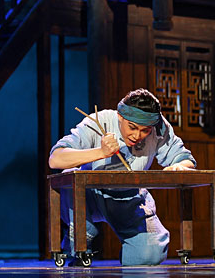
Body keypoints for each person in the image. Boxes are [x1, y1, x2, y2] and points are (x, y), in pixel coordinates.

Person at [49, 88, 196, 266]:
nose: (137, 136)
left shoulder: (158, 126)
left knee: (149, 254)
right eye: (132, 127)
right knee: (69, 179)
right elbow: (56, 159)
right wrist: (101, 152)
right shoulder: (100, 121)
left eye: (145, 130)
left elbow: (185, 159)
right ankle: (81, 238)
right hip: (91, 196)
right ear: (120, 116)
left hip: (130, 198)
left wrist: (180, 166)